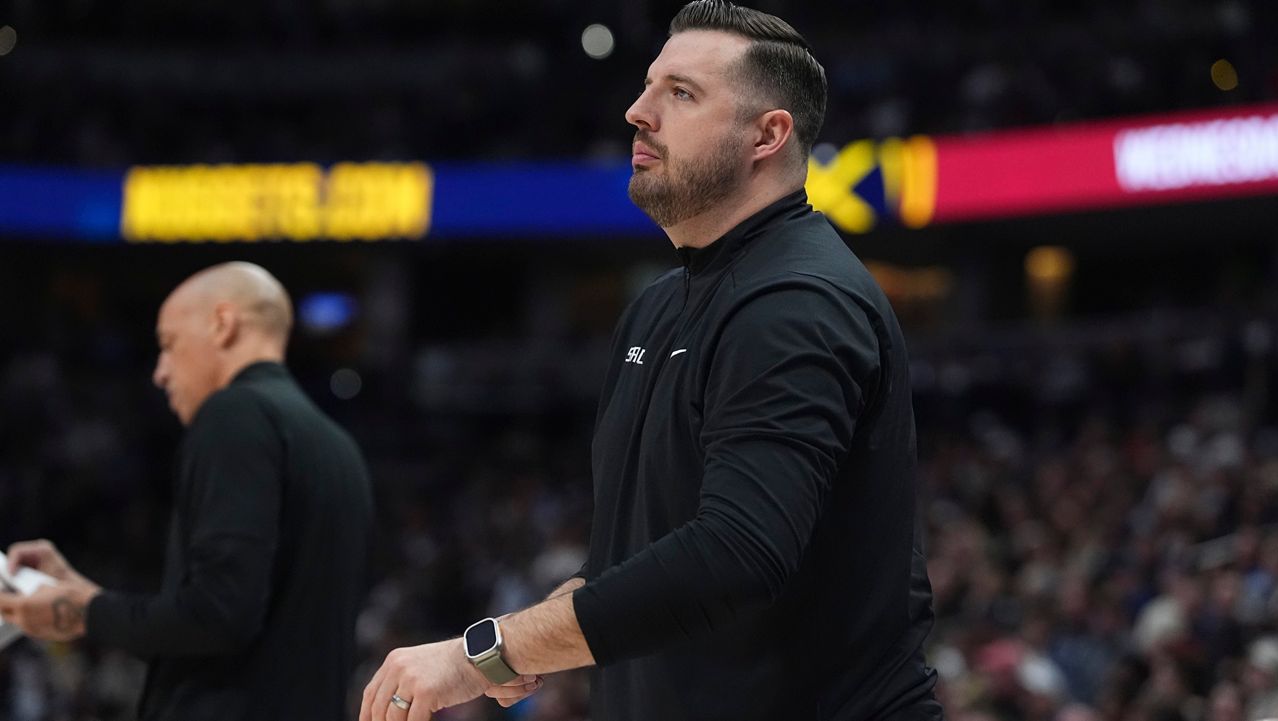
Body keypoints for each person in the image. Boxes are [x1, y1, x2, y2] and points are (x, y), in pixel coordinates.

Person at [358, 2, 942, 720]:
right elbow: (648, 552)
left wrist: (490, 646)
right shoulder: (661, 302)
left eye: (682, 94)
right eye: (647, 86)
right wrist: (524, 639)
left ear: (768, 134)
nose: (638, 112)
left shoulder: (797, 301)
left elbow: (735, 554)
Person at [0, 262, 375, 721]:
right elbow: (241, 645)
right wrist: (87, 596)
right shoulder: (338, 447)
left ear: (222, 325)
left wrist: (85, 612)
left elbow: (219, 616)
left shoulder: (233, 414)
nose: (160, 372)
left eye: (168, 345)